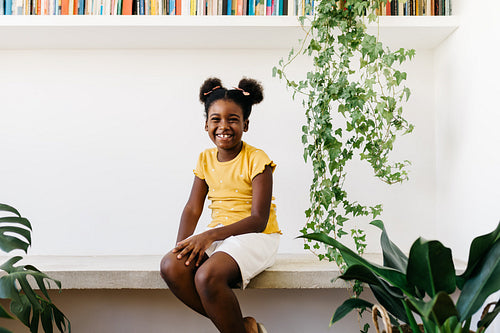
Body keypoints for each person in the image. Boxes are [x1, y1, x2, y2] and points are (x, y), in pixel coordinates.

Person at [160, 77, 281, 333]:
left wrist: (208, 236)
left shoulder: (257, 159)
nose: (223, 126)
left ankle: (237, 328)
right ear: (206, 124)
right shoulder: (205, 159)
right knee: (171, 266)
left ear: (245, 124)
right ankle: (242, 327)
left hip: (256, 236)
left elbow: (259, 219)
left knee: (207, 277)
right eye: (215, 119)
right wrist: (181, 248)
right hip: (222, 235)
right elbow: (193, 208)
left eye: (233, 119)